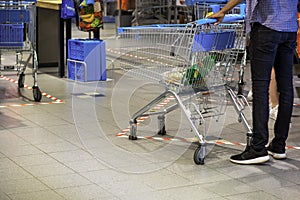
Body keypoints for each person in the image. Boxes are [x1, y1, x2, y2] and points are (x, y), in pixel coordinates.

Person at [209, 0, 299, 164]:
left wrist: (223, 10)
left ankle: (258, 148)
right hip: (289, 28)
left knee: (260, 88)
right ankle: (279, 145)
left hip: (267, 27)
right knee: (286, 88)